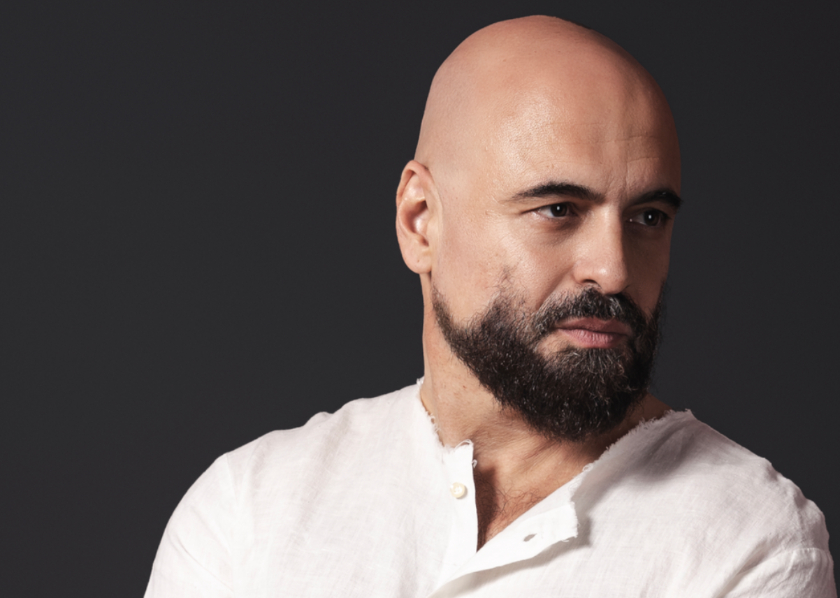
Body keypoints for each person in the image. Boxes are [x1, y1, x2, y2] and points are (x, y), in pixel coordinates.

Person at [144, 16, 835, 597]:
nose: (614, 270)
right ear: (420, 221)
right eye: (558, 209)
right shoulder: (249, 510)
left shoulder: (747, 543)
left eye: (648, 218)